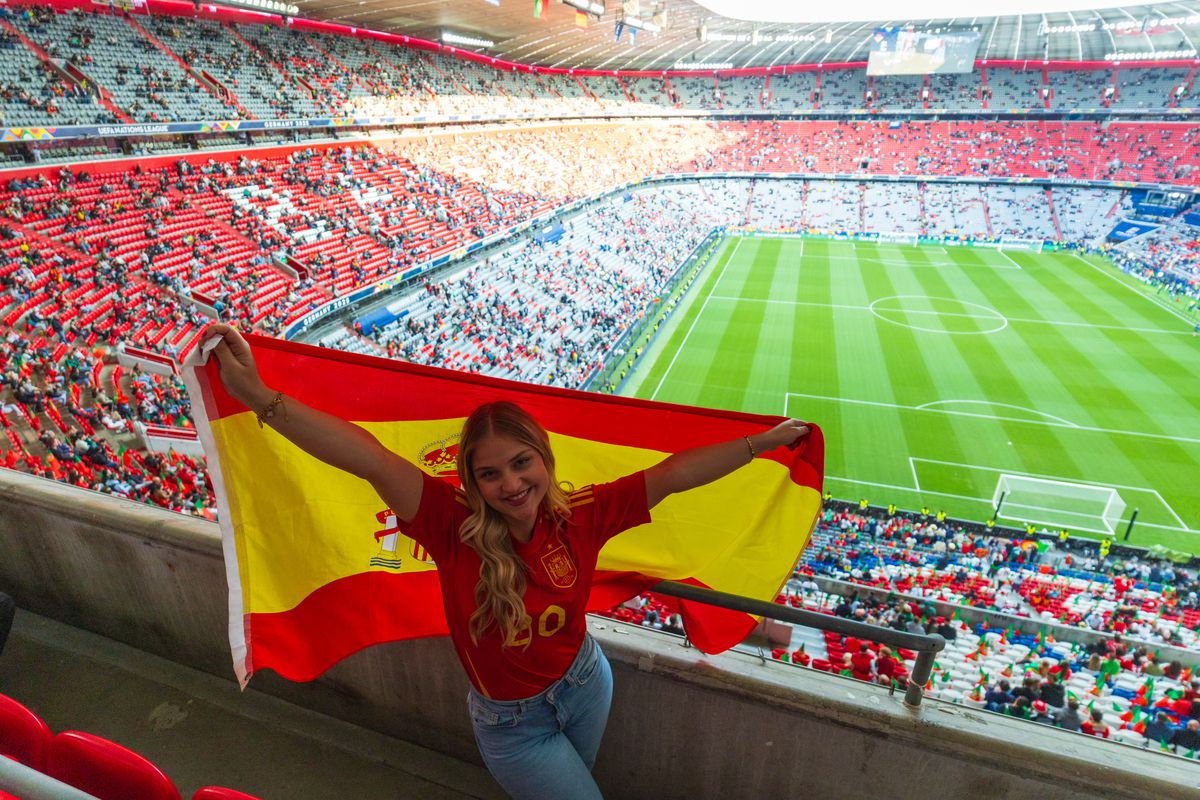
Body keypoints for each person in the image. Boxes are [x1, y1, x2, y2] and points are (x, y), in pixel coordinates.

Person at [199, 323, 810, 800]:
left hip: (585, 684)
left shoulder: (586, 514)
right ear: (470, 480)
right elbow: (366, 457)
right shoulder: (448, 524)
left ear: (543, 458)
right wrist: (258, 397)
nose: (511, 484)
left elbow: (674, 476)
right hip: (511, 725)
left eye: (522, 463)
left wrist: (758, 445)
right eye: (489, 474)